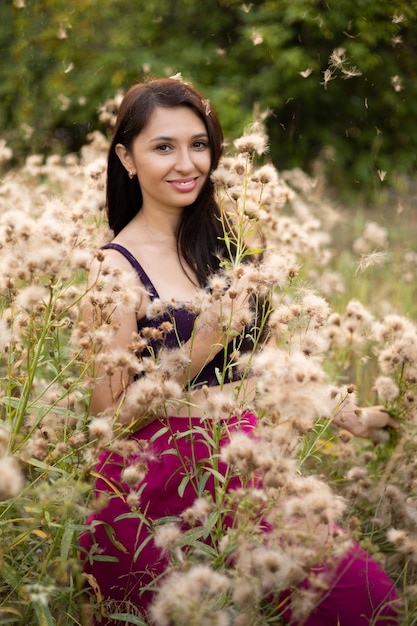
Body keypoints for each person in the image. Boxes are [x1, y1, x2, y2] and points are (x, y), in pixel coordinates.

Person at [79, 77, 400, 625]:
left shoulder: (224, 248)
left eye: (198, 144)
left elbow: (273, 364)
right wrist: (201, 346)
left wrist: (349, 415)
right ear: (126, 158)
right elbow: (107, 419)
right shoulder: (112, 269)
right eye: (164, 147)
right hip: (151, 488)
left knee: (362, 602)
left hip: (244, 462)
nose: (187, 163)